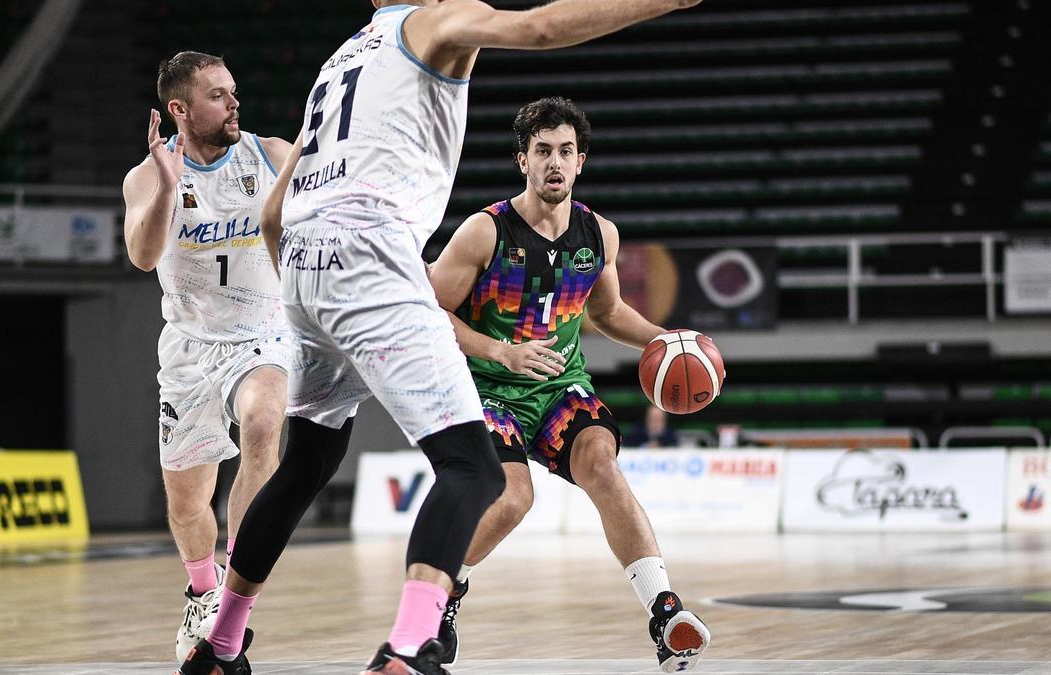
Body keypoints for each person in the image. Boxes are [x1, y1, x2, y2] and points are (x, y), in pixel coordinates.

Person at [176, 2, 705, 675]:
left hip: (305, 265)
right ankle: (407, 646)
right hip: (370, 255)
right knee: (475, 469)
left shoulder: (341, 59)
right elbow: (542, 29)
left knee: (305, 463)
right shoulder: (432, 22)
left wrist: (304, 292)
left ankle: (220, 647)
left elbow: (275, 212)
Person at [427, 97, 710, 673]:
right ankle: (442, 596)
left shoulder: (599, 234)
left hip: (560, 387)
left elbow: (606, 313)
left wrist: (668, 340)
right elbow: (427, 311)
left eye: (565, 151)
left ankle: (664, 610)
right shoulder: (484, 232)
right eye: (542, 152)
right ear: (522, 161)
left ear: (580, 161)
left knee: (602, 463)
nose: (554, 162)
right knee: (513, 498)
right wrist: (499, 350)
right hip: (487, 387)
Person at [121, 51, 294, 663]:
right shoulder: (148, 176)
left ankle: (234, 591)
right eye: (219, 95)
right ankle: (202, 591)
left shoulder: (269, 153)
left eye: (234, 90)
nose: (234, 103)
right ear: (180, 109)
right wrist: (169, 187)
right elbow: (143, 256)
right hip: (190, 348)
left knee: (264, 420)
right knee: (188, 504)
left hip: (261, 334)